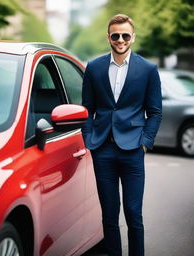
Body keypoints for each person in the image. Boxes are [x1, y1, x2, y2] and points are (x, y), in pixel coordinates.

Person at [81, 14, 162, 256]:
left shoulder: (147, 69)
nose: (120, 39)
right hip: (102, 149)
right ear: (108, 37)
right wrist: (89, 139)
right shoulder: (94, 68)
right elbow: (87, 109)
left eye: (125, 35)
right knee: (109, 215)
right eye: (115, 35)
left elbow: (155, 112)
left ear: (132, 37)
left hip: (133, 151)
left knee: (134, 214)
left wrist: (145, 143)